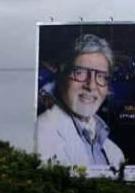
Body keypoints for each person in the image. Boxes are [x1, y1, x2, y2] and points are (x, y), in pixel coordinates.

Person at [36, 33, 126, 170]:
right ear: (62, 76)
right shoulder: (41, 135)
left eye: (101, 76)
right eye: (80, 73)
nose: (91, 86)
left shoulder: (114, 152)